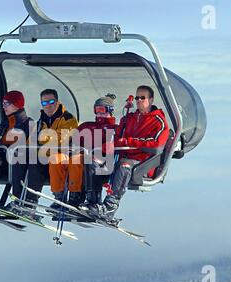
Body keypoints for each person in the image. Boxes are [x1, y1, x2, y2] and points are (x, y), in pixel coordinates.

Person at [96, 85, 170, 220]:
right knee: (96, 162)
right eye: (137, 98)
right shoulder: (129, 118)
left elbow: (156, 145)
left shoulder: (158, 121)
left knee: (124, 165)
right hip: (124, 157)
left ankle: (111, 205)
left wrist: (129, 141)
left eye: (143, 97)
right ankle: (91, 200)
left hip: (144, 163)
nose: (139, 100)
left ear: (151, 100)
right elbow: (118, 139)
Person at [48, 94, 117, 209]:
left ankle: (75, 197)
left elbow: (111, 147)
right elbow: (73, 141)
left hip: (97, 161)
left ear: (110, 110)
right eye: (97, 110)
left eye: (102, 110)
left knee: (76, 160)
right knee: (56, 158)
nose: (99, 113)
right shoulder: (87, 126)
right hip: (78, 155)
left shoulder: (114, 129)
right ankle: (59, 197)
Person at [22, 89, 79, 206]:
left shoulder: (68, 119)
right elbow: (29, 142)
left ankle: (53, 199)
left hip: (62, 156)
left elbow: (61, 139)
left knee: (44, 161)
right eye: (44, 103)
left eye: (51, 101)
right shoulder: (40, 122)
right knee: (25, 161)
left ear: (57, 102)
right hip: (44, 157)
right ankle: (24, 200)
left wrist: (40, 142)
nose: (47, 105)